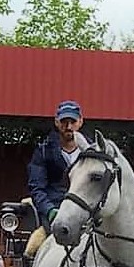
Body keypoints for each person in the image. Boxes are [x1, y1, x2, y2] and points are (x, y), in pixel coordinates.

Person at [27, 100, 90, 235]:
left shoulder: (92, 154)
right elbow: (37, 188)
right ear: (56, 122)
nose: (68, 126)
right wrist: (49, 210)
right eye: (64, 122)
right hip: (54, 213)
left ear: (80, 122)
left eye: (72, 122)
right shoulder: (43, 151)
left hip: (85, 214)